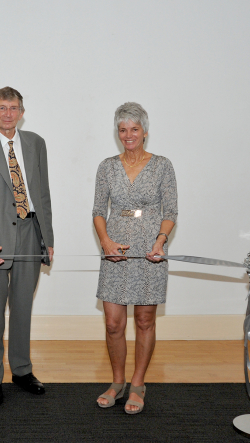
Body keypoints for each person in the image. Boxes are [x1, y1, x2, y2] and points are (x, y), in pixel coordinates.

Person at [0, 86, 54, 406]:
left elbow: (41, 195)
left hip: (30, 233)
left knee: (23, 309)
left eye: (13, 108)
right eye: (1, 108)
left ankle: (21, 370)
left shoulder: (35, 144)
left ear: (21, 112)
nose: (7, 114)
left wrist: (48, 238)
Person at [92, 102, 177, 414]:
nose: (128, 135)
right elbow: (99, 211)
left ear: (144, 132)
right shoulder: (107, 166)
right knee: (114, 323)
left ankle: (138, 383)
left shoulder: (163, 165)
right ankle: (117, 382)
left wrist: (160, 240)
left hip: (149, 250)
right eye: (123, 129)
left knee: (144, 320)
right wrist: (105, 241)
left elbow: (171, 212)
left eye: (134, 129)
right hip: (115, 249)